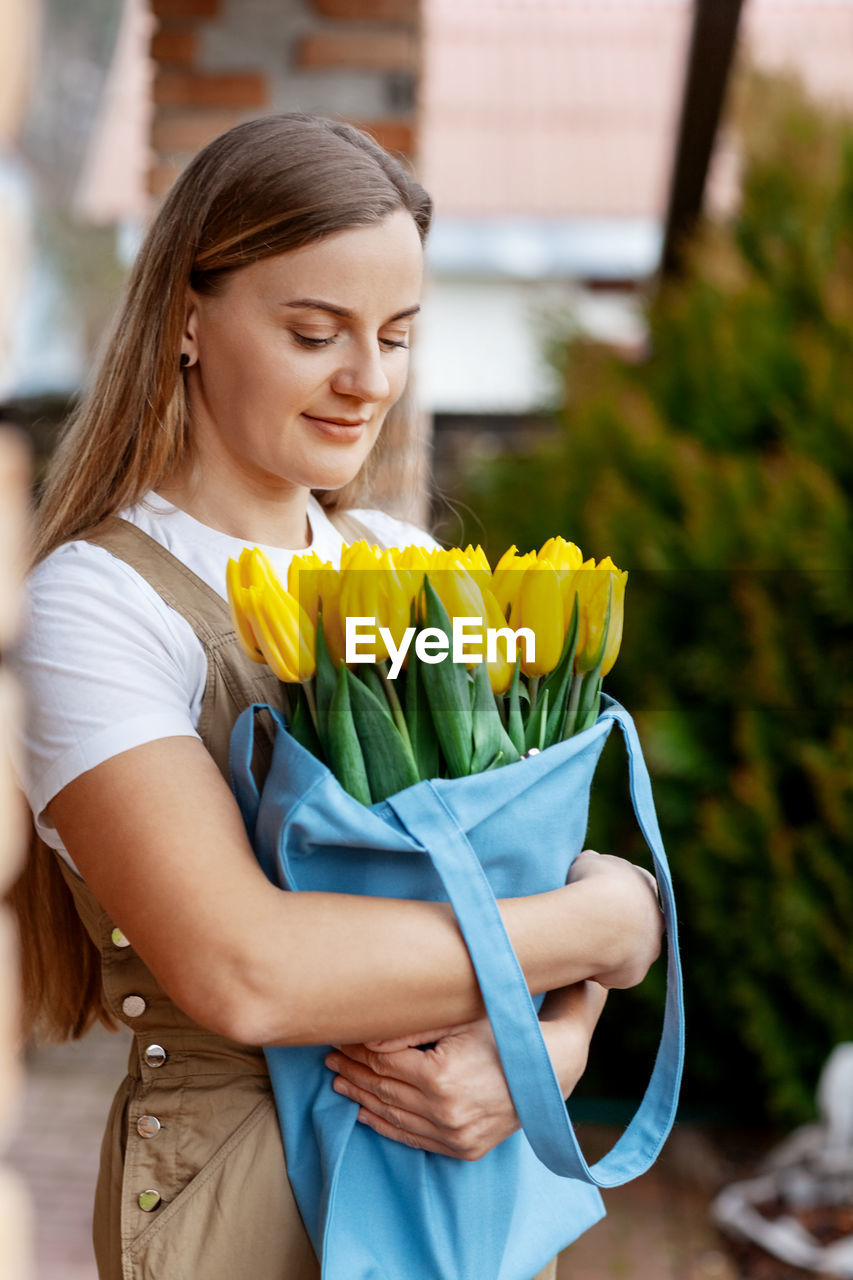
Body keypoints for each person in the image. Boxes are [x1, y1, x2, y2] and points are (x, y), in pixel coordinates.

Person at [11, 114, 664, 1280]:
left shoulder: (396, 559)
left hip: (457, 1179)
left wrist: (550, 1049)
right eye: (316, 333)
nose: (368, 381)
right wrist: (610, 924)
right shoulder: (97, 603)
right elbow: (244, 968)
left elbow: (514, 854)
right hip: (248, 1196)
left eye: (396, 335)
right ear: (187, 321)